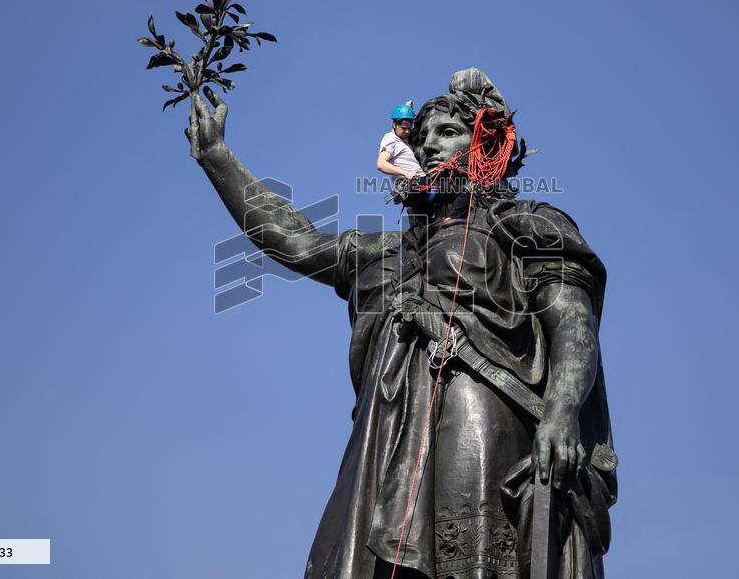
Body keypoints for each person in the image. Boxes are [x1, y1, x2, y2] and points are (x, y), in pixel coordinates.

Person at [186, 68, 616, 578]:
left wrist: (563, 409)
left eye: (448, 133)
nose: (428, 146)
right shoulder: (385, 255)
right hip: (388, 437)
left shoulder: (526, 226)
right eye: (423, 135)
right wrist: (217, 158)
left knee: (469, 560)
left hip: (480, 410)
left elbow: (572, 320)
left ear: (484, 143)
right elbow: (293, 238)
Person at [376, 101, 424, 181]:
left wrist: (408, 109)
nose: (407, 132)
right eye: (404, 128)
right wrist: (406, 173)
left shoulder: (404, 141)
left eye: (409, 128)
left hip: (422, 180)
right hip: (411, 184)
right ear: (394, 124)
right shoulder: (390, 139)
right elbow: (381, 164)